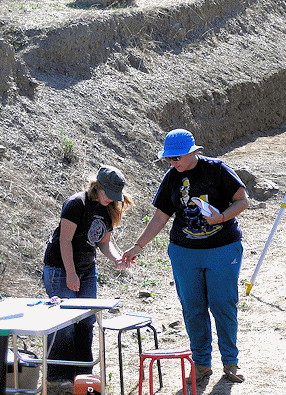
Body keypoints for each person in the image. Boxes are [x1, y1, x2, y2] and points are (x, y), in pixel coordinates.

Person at [122, 129, 249, 383]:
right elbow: (161, 217)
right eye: (169, 159)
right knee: (193, 308)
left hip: (222, 249)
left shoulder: (217, 169)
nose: (173, 163)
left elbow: (242, 200)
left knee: (223, 305)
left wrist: (221, 217)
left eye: (177, 158)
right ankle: (201, 364)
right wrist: (137, 247)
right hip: (184, 253)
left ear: (193, 152)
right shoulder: (171, 177)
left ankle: (230, 362)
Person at [42, 166, 133, 390]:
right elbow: (65, 241)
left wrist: (116, 259)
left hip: (87, 269)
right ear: (97, 187)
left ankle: (83, 378)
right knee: (64, 326)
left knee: (87, 322)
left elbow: (104, 242)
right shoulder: (76, 203)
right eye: (108, 194)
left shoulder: (108, 209)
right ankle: (57, 379)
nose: (111, 200)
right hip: (60, 269)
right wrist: (71, 274)